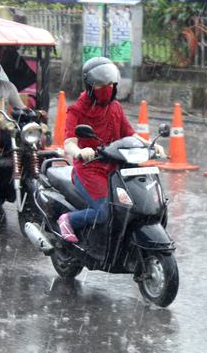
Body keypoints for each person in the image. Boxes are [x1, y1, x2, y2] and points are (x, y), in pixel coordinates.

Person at [58, 57, 164, 243]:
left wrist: (151, 145)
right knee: (106, 211)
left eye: (109, 84)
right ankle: (68, 219)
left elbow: (130, 135)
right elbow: (69, 143)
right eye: (100, 85)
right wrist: (80, 152)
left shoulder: (115, 107)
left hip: (116, 169)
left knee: (138, 205)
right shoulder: (76, 111)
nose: (106, 88)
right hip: (89, 171)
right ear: (90, 85)